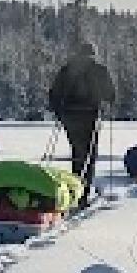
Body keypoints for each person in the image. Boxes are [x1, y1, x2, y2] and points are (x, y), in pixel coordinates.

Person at [48, 39, 115, 207]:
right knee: (89, 156)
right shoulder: (99, 70)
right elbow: (111, 94)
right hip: (90, 116)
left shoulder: (67, 70)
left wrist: (60, 113)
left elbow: (53, 94)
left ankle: (76, 189)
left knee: (77, 153)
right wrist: (107, 103)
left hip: (70, 117)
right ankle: (83, 194)